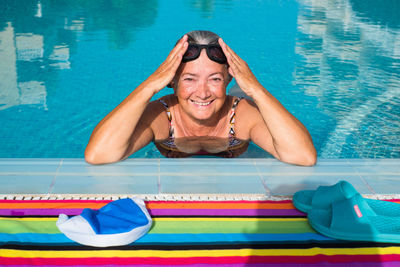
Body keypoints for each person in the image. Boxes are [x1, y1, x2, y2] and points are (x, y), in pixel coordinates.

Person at [85, 30, 317, 166]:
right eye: (189, 79)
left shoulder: (241, 113)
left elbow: (303, 157)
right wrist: (150, 85)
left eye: (215, 79)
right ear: (171, 82)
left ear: (228, 80)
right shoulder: (161, 115)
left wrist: (256, 89)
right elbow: (99, 155)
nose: (203, 92)